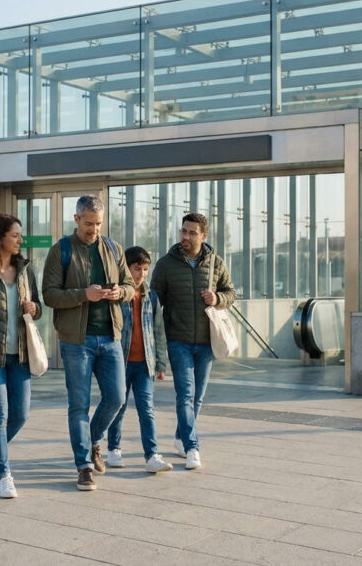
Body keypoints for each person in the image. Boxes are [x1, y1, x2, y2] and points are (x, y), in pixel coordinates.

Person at [42, 195, 134, 491]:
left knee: (117, 398)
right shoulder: (61, 250)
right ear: (77, 219)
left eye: (98, 224)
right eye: (89, 224)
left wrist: (120, 293)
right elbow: (49, 295)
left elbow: (131, 286)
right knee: (79, 404)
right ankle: (83, 466)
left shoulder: (113, 247)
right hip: (76, 341)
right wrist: (84, 294)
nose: (94, 229)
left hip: (110, 337)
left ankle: (93, 440)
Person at [150, 213, 236, 471]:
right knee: (185, 394)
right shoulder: (166, 264)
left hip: (207, 341)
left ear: (203, 236)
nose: (185, 237)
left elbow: (231, 292)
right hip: (178, 340)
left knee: (197, 396)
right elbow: (153, 303)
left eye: (192, 233)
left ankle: (181, 435)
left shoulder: (216, 263)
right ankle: (192, 447)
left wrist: (217, 299)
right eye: (183, 231)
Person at [0, 214, 42, 499]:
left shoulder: (24, 270)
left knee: (21, 414)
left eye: (20, 235)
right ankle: (4, 475)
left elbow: (38, 306)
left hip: (20, 355)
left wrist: (34, 308)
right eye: (15, 235)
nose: (20, 240)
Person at [97, 246, 172, 474]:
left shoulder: (152, 297)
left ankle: (152, 455)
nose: (141, 274)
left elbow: (159, 331)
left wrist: (160, 363)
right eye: (137, 268)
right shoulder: (118, 296)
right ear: (127, 269)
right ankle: (114, 449)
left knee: (146, 408)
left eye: (145, 269)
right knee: (117, 406)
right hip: (120, 361)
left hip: (145, 364)